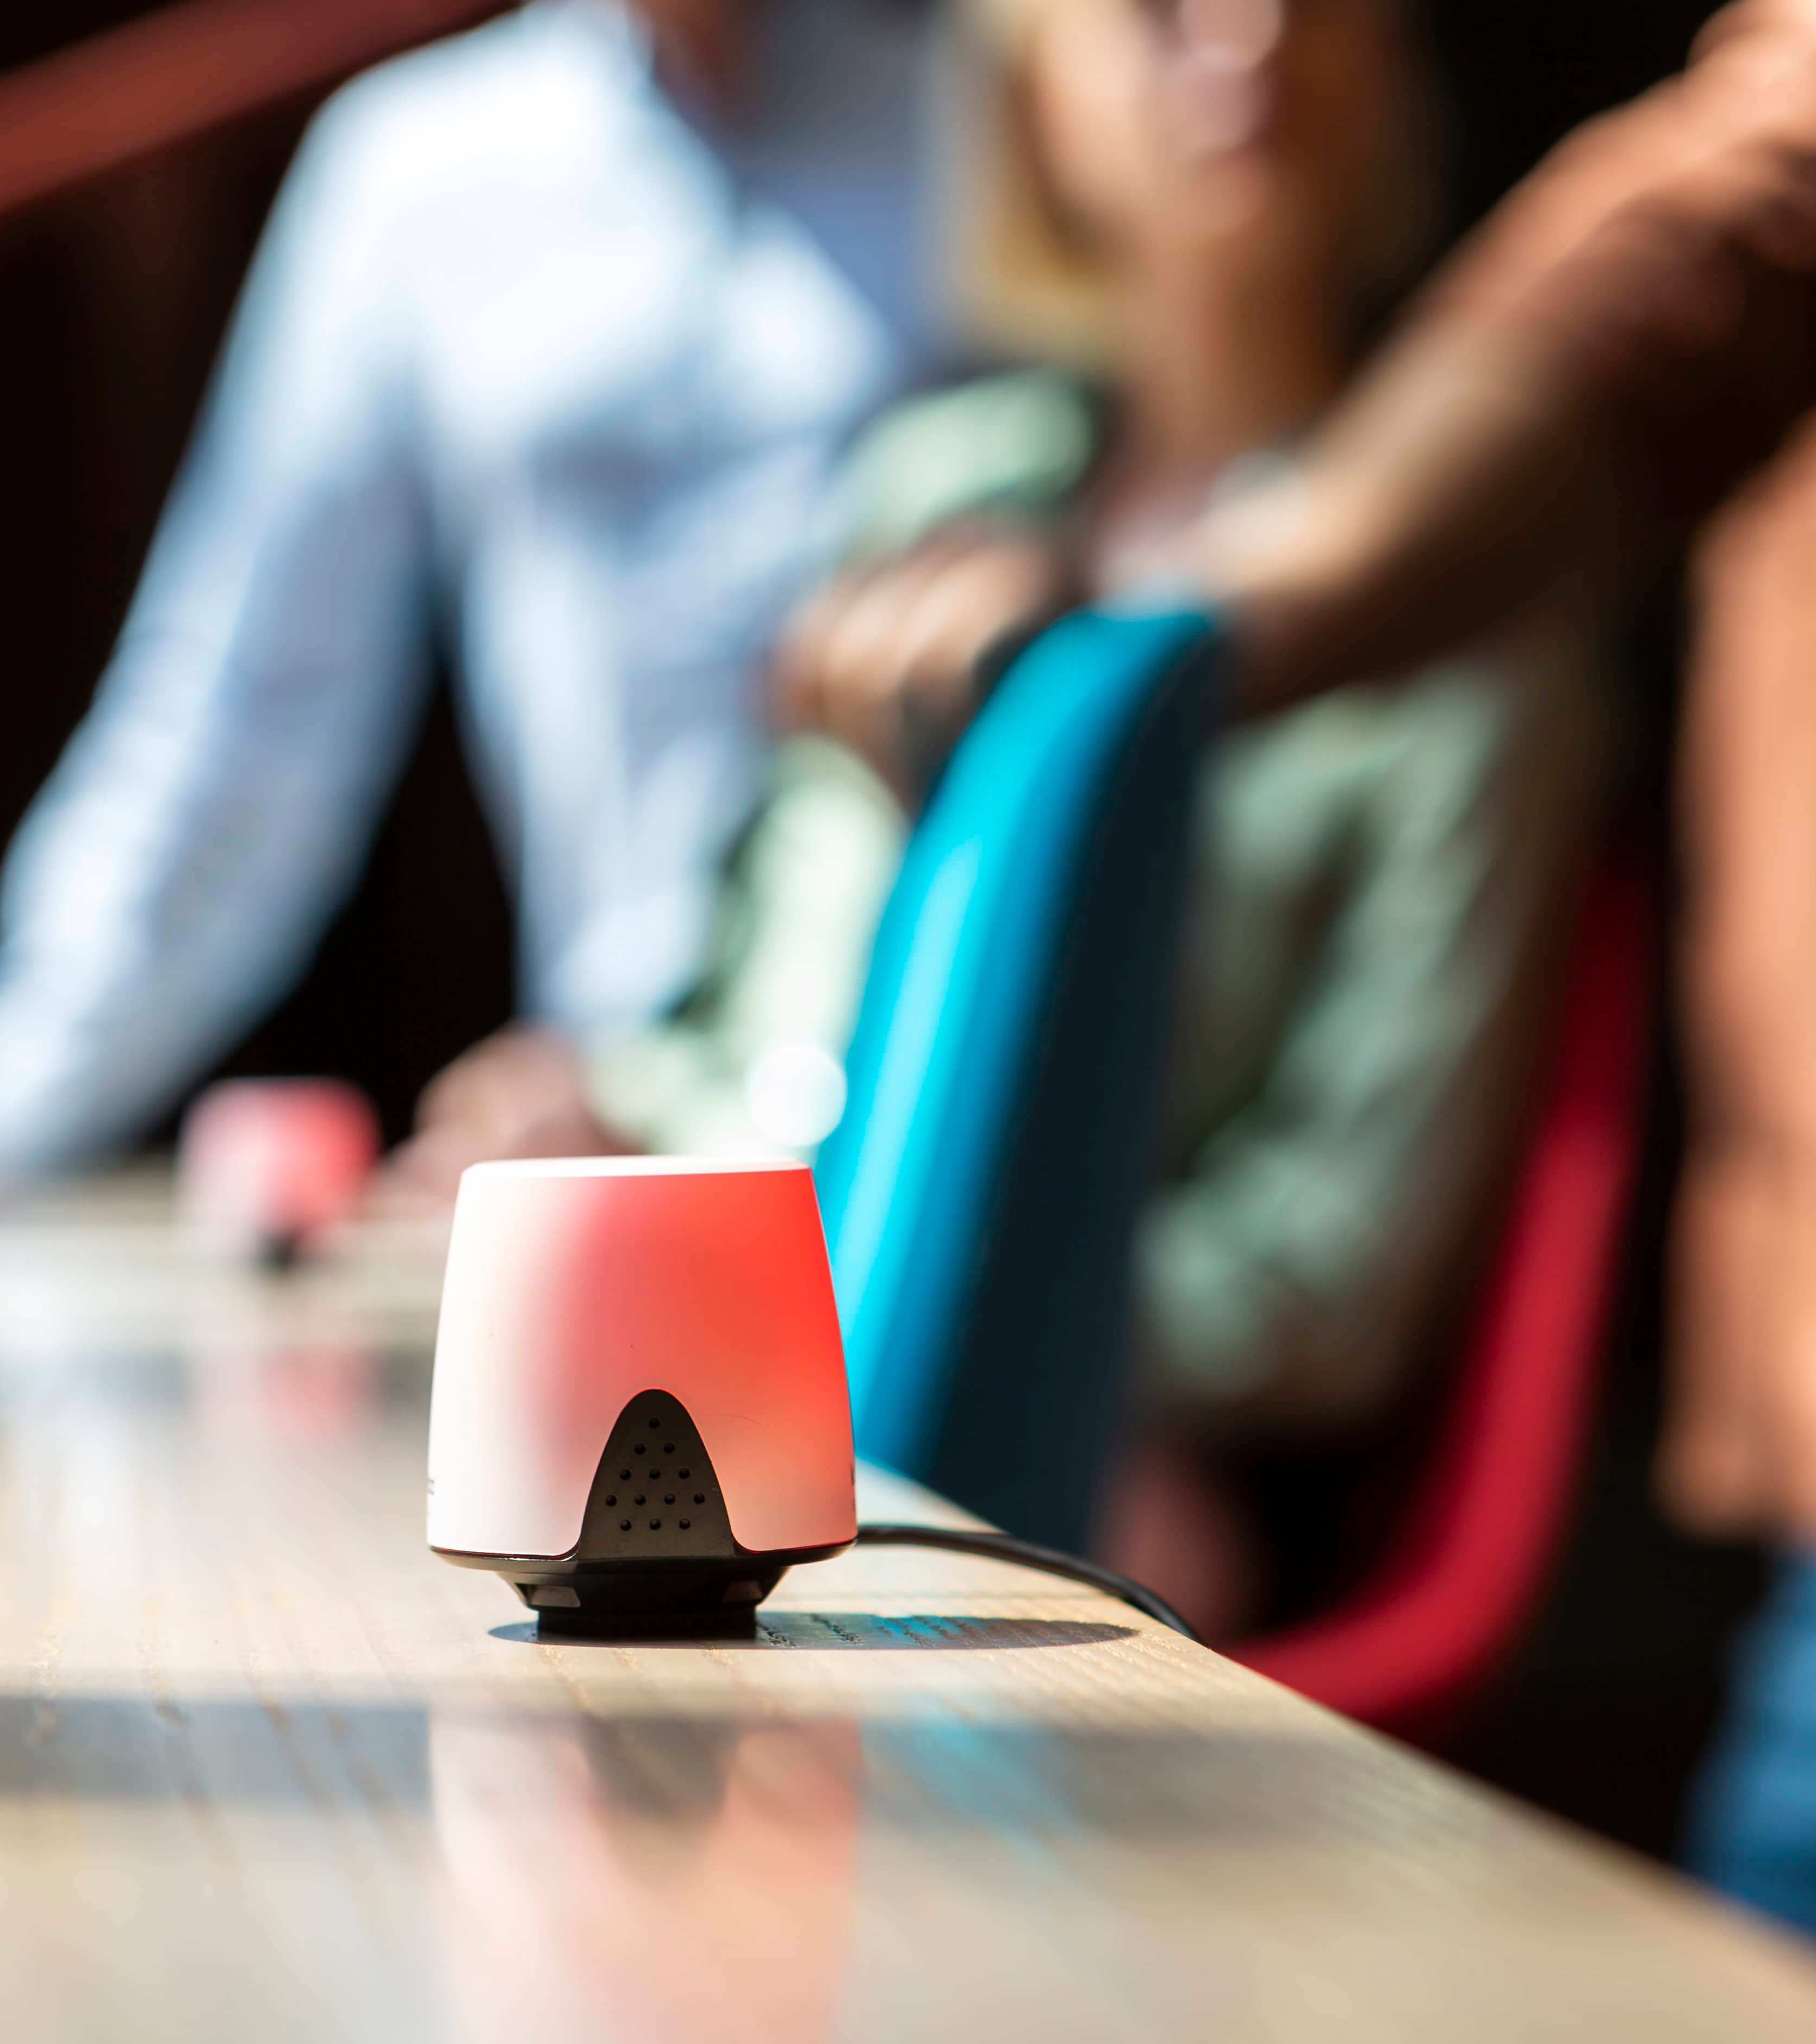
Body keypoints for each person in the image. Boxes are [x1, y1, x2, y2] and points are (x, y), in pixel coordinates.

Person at [789, 0, 1816, 2030]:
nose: (1233, 50)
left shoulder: (1393, 633)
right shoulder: (956, 482)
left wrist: (1213, 620)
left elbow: (1781, 202)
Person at [388, 0, 1617, 1632]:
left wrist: (889, 1292)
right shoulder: (940, 493)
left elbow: (1337, 1272)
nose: (1248, 38)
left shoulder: (1463, 629)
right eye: (1157, 13)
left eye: (1317, 1)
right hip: (779, 1378)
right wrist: (610, 1125)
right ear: (1036, 105)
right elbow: (780, 996)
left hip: (1090, 1451)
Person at [0, 0, 938, 1220]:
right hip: (646, 1126)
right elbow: (244, 703)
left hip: (975, 1087)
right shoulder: (423, 169)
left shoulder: (1026, 108)